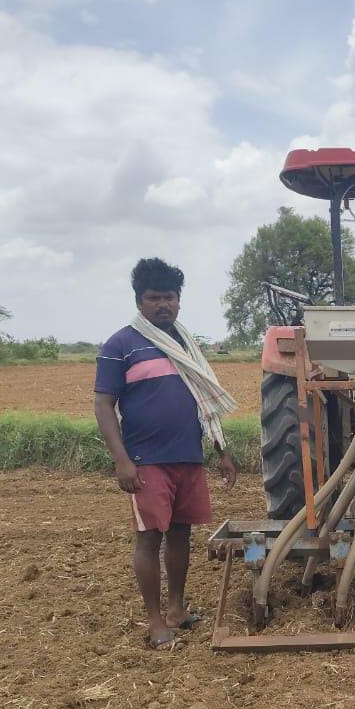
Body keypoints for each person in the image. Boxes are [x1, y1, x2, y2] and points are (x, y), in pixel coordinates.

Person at [94, 258, 239, 650]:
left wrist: (222, 452)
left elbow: (205, 401)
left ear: (179, 300)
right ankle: (155, 620)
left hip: (188, 456)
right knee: (148, 539)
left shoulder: (186, 344)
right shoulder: (120, 345)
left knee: (181, 534)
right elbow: (104, 405)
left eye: (170, 297)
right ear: (139, 301)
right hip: (145, 460)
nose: (163, 304)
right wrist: (122, 460)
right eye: (154, 298)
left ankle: (176, 608)